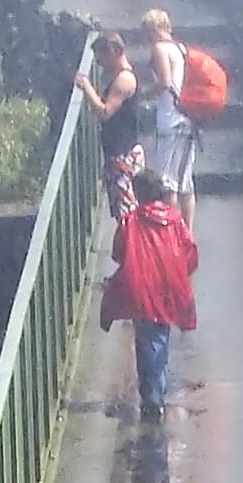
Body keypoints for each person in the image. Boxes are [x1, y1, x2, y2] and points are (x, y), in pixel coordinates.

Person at [100, 166, 198, 419]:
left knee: (146, 339)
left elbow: (118, 252)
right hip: (168, 286)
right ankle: (156, 391)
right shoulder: (175, 220)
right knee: (160, 336)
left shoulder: (130, 222)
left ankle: (152, 395)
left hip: (140, 287)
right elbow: (190, 253)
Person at [136, 8, 201, 222]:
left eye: (146, 31)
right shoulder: (180, 49)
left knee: (168, 182)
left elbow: (164, 82)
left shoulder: (159, 49)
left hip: (170, 122)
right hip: (187, 121)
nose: (145, 37)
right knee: (185, 183)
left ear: (155, 29)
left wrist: (143, 94)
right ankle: (186, 232)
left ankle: (170, 230)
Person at [75, 30, 143, 226]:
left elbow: (105, 112)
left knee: (126, 212)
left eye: (102, 57)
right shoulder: (120, 77)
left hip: (123, 153)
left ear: (113, 51)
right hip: (118, 151)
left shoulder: (124, 80)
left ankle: (134, 253)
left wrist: (86, 87)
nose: (100, 63)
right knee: (122, 210)